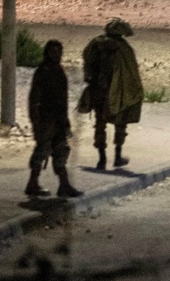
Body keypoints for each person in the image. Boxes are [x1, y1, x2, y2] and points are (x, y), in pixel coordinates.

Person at [82, 18, 143, 170]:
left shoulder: (95, 44)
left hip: (97, 90)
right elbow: (131, 73)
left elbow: (87, 62)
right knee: (120, 123)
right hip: (117, 91)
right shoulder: (123, 49)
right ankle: (117, 156)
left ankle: (101, 159)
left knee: (100, 123)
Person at [25, 40, 82, 199]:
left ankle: (63, 185)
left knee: (61, 150)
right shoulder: (43, 71)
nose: (57, 55)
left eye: (59, 51)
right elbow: (34, 97)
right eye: (54, 51)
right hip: (46, 119)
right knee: (42, 150)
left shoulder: (57, 71)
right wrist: (35, 119)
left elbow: (62, 99)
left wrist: (65, 121)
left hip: (57, 119)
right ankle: (33, 183)